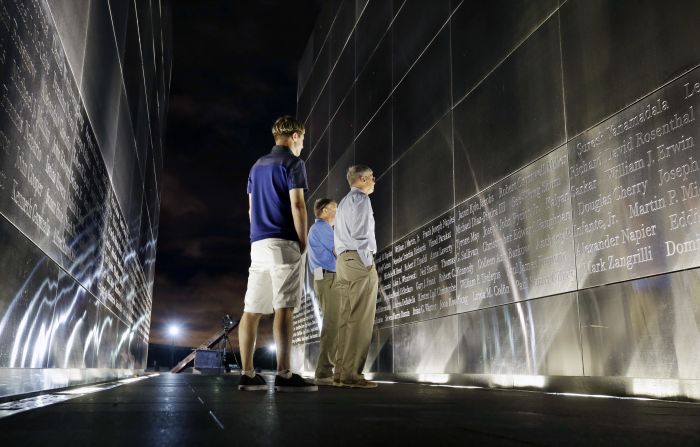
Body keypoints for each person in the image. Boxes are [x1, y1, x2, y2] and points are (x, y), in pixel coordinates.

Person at [238, 116, 317, 392]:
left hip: (257, 244)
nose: (303, 145)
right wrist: (303, 240)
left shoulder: (256, 166)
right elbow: (297, 205)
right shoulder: (294, 163)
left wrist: (258, 236)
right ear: (294, 136)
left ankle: (247, 374)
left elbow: (250, 210)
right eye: (303, 139)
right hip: (284, 242)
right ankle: (284, 374)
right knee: (284, 307)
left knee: (252, 310)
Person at [333, 165, 379, 389]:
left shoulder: (342, 203)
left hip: (343, 261)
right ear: (362, 179)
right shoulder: (361, 200)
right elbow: (360, 235)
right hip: (359, 261)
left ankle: (340, 372)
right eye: (371, 177)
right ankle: (352, 375)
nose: (374, 181)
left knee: (345, 319)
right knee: (360, 320)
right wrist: (368, 263)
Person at [307, 198, 340, 385]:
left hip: (325, 277)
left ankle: (331, 369)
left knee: (335, 322)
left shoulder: (318, 229)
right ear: (325, 210)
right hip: (329, 277)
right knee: (333, 323)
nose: (337, 213)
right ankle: (324, 372)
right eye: (335, 209)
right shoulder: (322, 228)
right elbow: (338, 251)